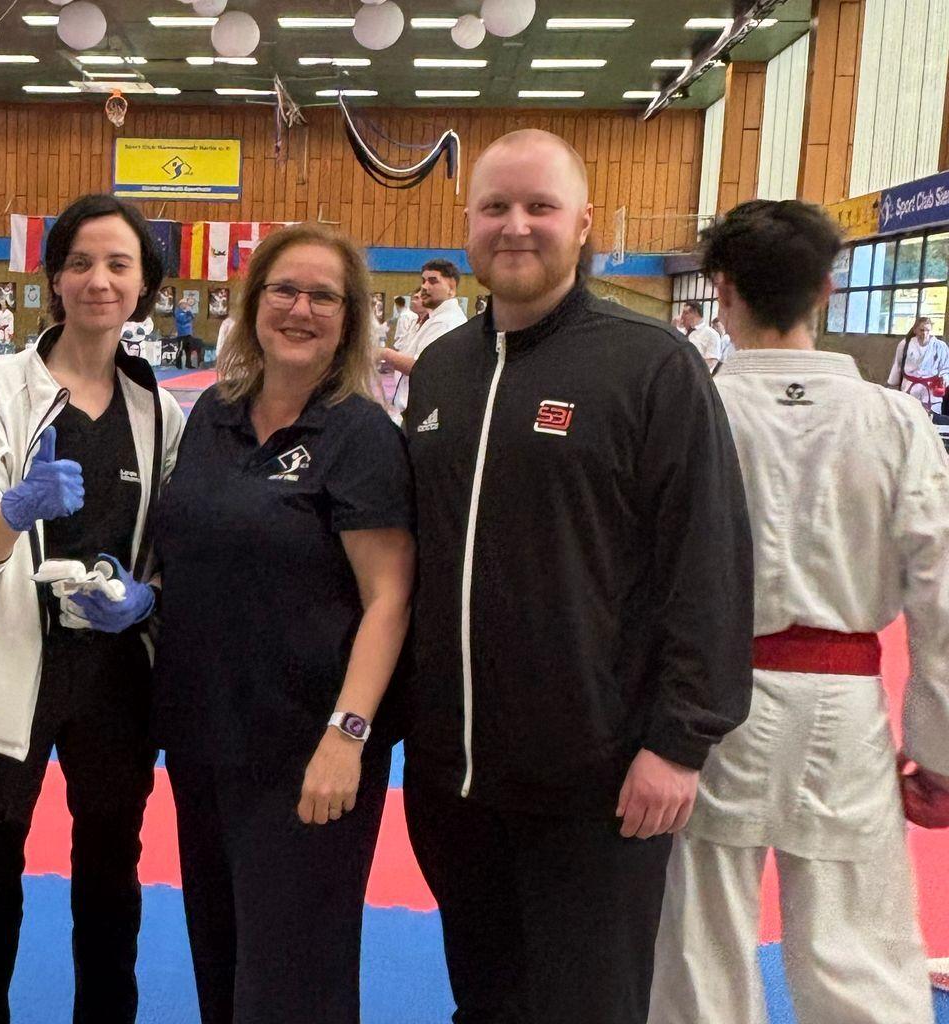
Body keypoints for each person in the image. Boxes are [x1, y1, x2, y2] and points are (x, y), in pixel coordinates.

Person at [400, 129, 754, 1024]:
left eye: (540, 206)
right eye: (496, 207)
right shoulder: (443, 368)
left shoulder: (652, 368)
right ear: (468, 222)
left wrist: (680, 742)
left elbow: (707, 563)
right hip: (455, 782)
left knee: (586, 1006)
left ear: (585, 222)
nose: (516, 226)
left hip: (597, 784)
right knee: (485, 1001)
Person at [649, 199, 949, 1024]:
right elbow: (941, 594)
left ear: (721, 289)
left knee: (696, 946)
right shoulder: (894, 421)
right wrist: (939, 749)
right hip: (846, 713)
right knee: (861, 946)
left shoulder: (695, 409)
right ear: (826, 287)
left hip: (707, 708)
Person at [0, 193, 184, 1024]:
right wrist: (15, 509)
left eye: (119, 265)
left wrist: (145, 601)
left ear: (145, 287)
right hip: (2, 671)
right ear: (54, 278)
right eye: (79, 263)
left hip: (114, 680)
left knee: (110, 873)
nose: (98, 281)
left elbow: (176, 554)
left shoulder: (160, 413)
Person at [152, 222, 414, 1024]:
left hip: (307, 751)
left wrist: (348, 732)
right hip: (204, 738)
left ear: (350, 316)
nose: (300, 310)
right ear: (254, 301)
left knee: (293, 976)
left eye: (322, 296)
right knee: (222, 957)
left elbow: (389, 599)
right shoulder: (214, 416)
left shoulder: (361, 434)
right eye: (284, 291)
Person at [384, 259, 467, 423]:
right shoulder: (432, 319)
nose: (425, 287)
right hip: (414, 411)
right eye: (423, 281)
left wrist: (384, 353)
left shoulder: (447, 323)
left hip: (426, 415)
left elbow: (422, 368)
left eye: (433, 281)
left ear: (451, 287)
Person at [886, 315, 949, 415]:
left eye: (928, 330)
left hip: (931, 391)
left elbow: (945, 368)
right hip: (909, 388)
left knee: (931, 421)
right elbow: (898, 365)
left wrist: (944, 379)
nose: (924, 333)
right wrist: (892, 384)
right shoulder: (905, 344)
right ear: (915, 330)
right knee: (908, 417)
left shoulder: (940, 346)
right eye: (921, 330)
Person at [680, 300, 724, 371]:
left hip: (697, 377)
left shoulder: (711, 335)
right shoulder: (681, 332)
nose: (682, 316)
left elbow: (711, 362)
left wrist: (690, 371)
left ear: (695, 313)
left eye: (685, 313)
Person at [173, 293, 198, 368]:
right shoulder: (178, 312)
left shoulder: (187, 312)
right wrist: (188, 315)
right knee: (180, 350)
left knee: (188, 350)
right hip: (181, 334)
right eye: (184, 304)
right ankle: (178, 364)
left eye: (186, 304)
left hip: (188, 334)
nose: (186, 305)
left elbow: (192, 318)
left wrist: (189, 313)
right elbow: (183, 320)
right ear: (181, 304)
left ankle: (188, 364)